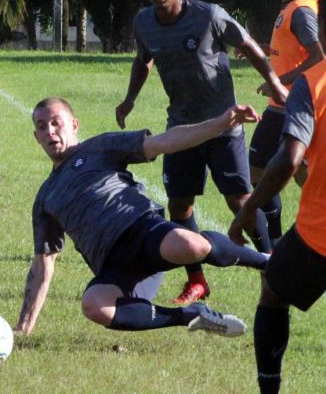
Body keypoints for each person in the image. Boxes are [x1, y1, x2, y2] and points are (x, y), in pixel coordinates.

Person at [14, 97, 270, 338]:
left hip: (141, 228)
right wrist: (24, 327)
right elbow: (42, 264)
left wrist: (221, 123)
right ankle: (191, 315)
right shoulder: (45, 197)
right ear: (36, 137)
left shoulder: (99, 147)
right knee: (95, 306)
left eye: (56, 122)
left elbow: (165, 141)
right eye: (42, 126)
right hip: (113, 263)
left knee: (191, 245)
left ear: (74, 125)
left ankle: (267, 261)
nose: (50, 131)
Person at [115, 0, 287, 304]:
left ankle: (272, 267)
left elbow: (249, 45)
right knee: (179, 205)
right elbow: (143, 59)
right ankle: (197, 280)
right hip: (180, 129)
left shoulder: (209, 15)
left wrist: (275, 81)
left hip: (224, 125)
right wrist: (130, 98)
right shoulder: (144, 22)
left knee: (239, 199)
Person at [230, 0, 326, 394]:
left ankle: (270, 389)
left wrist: (249, 210)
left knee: (273, 292)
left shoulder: (314, 81)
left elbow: (288, 158)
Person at [247, 0, 325, 241]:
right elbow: (295, 49)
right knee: (281, 175)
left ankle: (278, 242)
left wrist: (279, 83)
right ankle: (278, 242)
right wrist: (263, 50)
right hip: (284, 106)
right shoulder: (293, 6)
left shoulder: (302, 11)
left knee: (263, 174)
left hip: (290, 107)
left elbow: (319, 56)